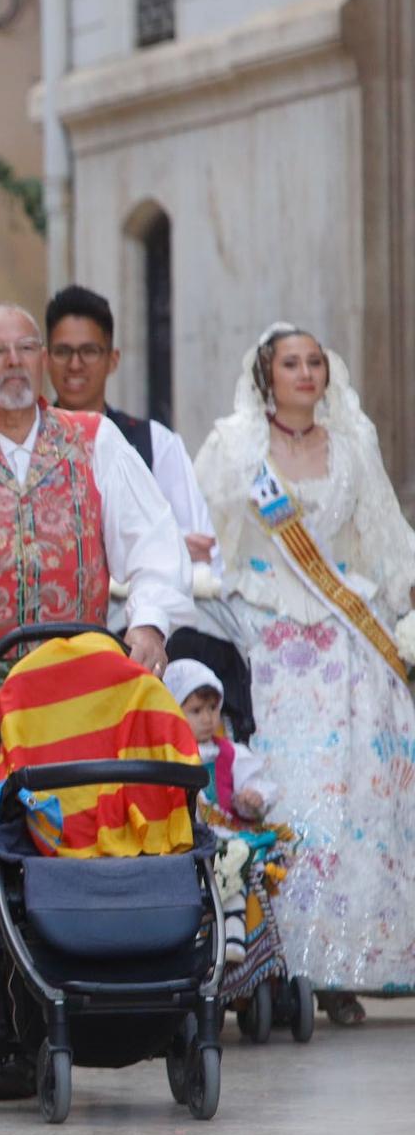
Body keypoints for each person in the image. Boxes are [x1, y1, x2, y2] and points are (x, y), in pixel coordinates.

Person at [0, 303, 192, 987]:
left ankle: (97, 980)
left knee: (92, 837)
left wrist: (148, 620)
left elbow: (155, 540)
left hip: (82, 695)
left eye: (26, 348)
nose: (15, 362)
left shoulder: (94, 438)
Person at [193, 323, 415, 1023]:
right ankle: (280, 962)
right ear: (266, 373)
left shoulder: (352, 447)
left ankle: (348, 966)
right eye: (291, 362)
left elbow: (384, 533)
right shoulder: (234, 448)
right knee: (277, 796)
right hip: (266, 638)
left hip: (345, 645)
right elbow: (203, 530)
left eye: (315, 361)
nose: (306, 373)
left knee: (355, 803)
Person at [45, 286, 218, 571]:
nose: (75, 365)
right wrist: (162, 546)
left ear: (112, 360)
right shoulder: (26, 443)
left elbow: (199, 549)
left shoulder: (154, 442)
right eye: (63, 352)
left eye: (89, 351)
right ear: (46, 359)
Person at [165, 658, 279, 963]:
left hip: (222, 835)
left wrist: (250, 799)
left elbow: (252, 788)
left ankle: (233, 933)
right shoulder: (170, 755)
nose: (207, 718)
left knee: (234, 860)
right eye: (196, 711)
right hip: (185, 836)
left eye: (213, 709)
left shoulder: (230, 754)